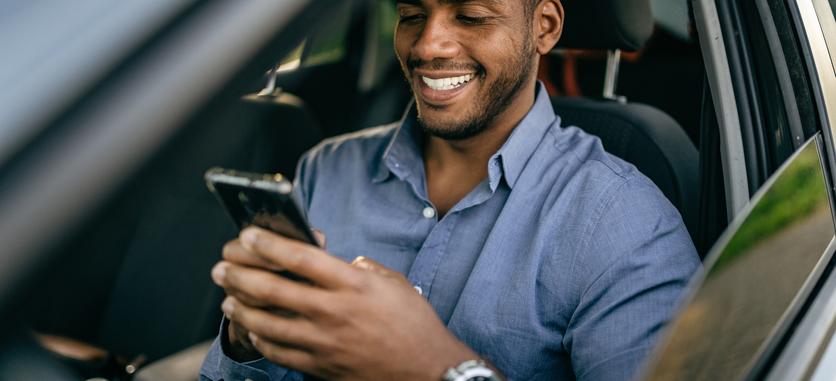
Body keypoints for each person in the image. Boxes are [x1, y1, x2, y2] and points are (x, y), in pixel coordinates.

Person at [200, 0, 700, 380]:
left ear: (544, 27)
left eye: (471, 16)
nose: (427, 46)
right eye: (413, 14)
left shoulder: (624, 223)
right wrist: (250, 342)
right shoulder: (328, 168)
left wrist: (439, 367)